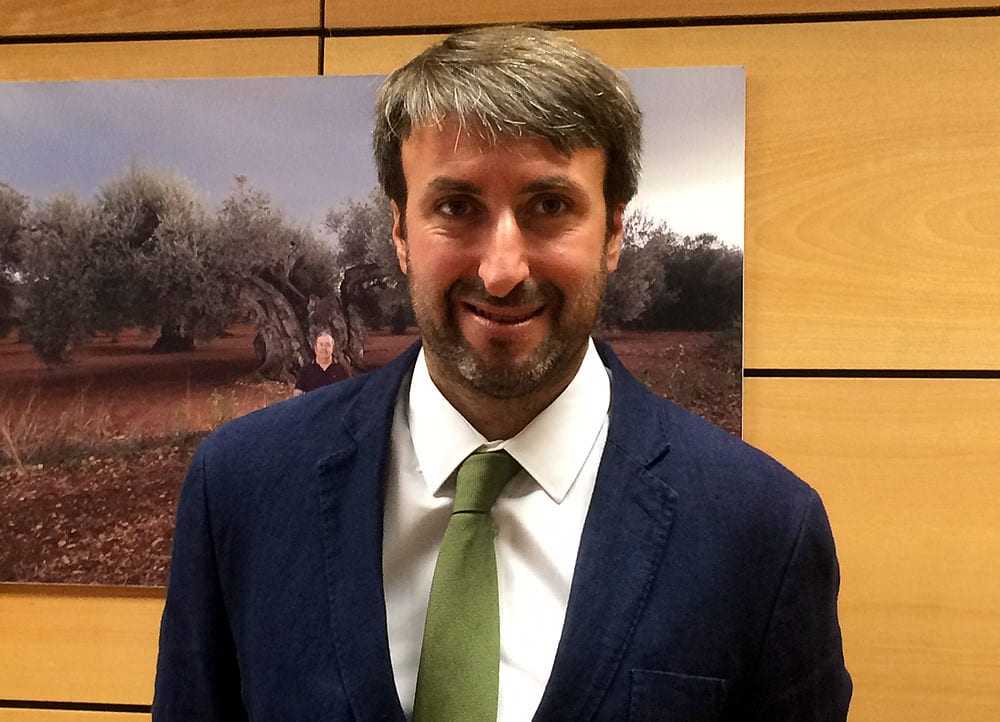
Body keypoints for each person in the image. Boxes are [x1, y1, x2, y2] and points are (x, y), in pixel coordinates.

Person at [153, 26, 851, 720]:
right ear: (399, 232)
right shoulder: (243, 488)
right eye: (456, 208)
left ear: (612, 232)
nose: (502, 270)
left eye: (549, 207)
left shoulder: (761, 530)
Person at [293, 331, 346, 396]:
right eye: (321, 345)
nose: (324, 348)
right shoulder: (306, 370)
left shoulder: (341, 370)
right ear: (315, 348)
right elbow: (297, 394)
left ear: (332, 349)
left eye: (328, 345)